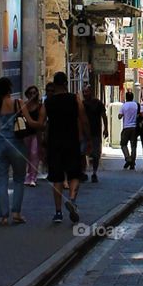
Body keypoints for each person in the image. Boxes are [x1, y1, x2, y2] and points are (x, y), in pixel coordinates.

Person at [39, 72, 89, 224]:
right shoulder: (75, 99)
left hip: (55, 142)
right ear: (66, 83)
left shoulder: (48, 102)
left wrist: (41, 141)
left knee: (57, 178)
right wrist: (88, 137)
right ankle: (72, 199)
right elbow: (83, 118)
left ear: (54, 85)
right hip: (71, 141)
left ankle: (58, 212)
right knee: (74, 174)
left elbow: (41, 123)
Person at [0, 77, 30, 225]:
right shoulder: (18, 103)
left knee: (1, 180)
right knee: (19, 179)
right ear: (9, 88)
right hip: (16, 144)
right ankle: (16, 213)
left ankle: (3, 216)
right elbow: (29, 122)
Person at [81, 82, 108, 183]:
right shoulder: (82, 104)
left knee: (95, 154)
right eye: (84, 92)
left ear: (91, 92)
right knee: (82, 152)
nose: (85, 94)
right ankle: (83, 172)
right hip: (84, 131)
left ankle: (94, 173)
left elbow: (103, 115)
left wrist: (106, 128)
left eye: (86, 92)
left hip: (95, 131)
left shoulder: (97, 103)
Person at [22, 85, 43, 187]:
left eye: (34, 93)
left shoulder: (40, 106)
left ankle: (33, 177)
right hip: (26, 133)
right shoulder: (24, 105)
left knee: (34, 154)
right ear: (27, 94)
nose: (32, 95)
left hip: (35, 133)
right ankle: (28, 175)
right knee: (27, 155)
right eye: (30, 93)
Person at [120, 89, 142, 169]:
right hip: (134, 128)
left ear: (126, 97)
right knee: (133, 146)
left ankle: (128, 158)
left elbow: (119, 116)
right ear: (132, 97)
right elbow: (140, 114)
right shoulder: (136, 105)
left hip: (126, 127)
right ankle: (132, 163)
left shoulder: (124, 105)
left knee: (123, 144)